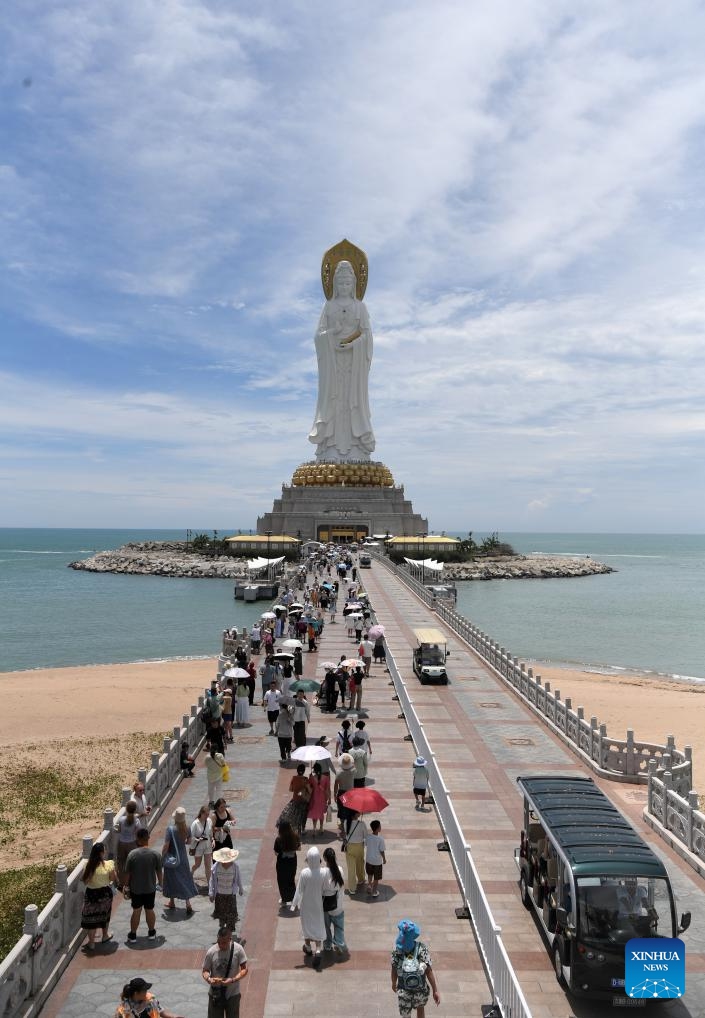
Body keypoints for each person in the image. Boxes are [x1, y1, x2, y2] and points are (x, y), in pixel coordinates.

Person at [308, 257, 375, 461]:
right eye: (341, 283)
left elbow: (367, 335)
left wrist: (355, 343)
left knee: (353, 401)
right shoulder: (329, 306)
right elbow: (317, 336)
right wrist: (331, 334)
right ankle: (329, 446)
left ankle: (357, 445)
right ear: (334, 284)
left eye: (348, 283)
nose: (344, 286)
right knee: (333, 400)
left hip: (354, 367)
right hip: (333, 365)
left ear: (354, 284)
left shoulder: (360, 307)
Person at [391, 919, 440, 1017]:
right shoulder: (422, 948)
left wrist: (393, 983)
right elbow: (429, 971)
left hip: (403, 990)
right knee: (420, 1008)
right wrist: (435, 990)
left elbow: (394, 970)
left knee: (405, 1014)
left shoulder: (397, 952)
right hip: (420, 989)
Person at [123, 827, 162, 942]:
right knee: (149, 910)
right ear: (148, 838)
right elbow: (159, 872)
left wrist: (126, 886)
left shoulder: (132, 855)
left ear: (137, 839)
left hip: (136, 889)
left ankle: (133, 935)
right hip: (150, 888)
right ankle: (151, 932)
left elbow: (127, 873)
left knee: (136, 911)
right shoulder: (155, 854)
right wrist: (161, 884)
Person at [290, 847, 326, 968]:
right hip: (318, 904)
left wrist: (294, 904)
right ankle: (318, 950)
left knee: (306, 926)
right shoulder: (323, 872)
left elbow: (299, 890)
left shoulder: (305, 873)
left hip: (306, 905)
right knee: (318, 926)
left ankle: (308, 948)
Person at [202, 928, 248, 1018]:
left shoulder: (238, 949)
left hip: (233, 993)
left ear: (230, 940)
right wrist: (208, 978)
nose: (220, 945)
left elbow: (244, 969)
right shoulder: (211, 952)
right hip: (215, 994)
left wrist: (233, 979)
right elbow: (205, 970)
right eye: (219, 942)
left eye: (224, 943)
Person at [162, 807, 198, 914]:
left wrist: (162, 856)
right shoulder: (187, 828)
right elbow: (189, 841)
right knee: (185, 878)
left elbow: (166, 846)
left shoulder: (170, 829)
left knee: (171, 879)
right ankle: (188, 903)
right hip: (183, 858)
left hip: (172, 858)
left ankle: (172, 902)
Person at [80, 842, 116, 949]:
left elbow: (85, 881)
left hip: (91, 894)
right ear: (101, 853)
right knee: (105, 915)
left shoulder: (87, 864)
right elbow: (112, 879)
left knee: (92, 919)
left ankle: (91, 943)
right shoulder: (109, 864)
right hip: (104, 893)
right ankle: (105, 935)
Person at [209, 847, 244, 932]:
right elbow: (212, 880)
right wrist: (211, 893)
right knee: (222, 914)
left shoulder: (235, 867)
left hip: (230, 895)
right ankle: (223, 930)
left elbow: (238, 878)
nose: (225, 863)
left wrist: (241, 888)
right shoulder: (216, 867)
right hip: (219, 895)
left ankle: (229, 932)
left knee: (231, 915)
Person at [114, 977, 184, 1018]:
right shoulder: (124, 1010)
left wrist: (174, 1016)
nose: (147, 992)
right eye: (144, 990)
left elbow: (160, 1011)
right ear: (136, 993)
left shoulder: (150, 999)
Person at [321, 846, 346, 954]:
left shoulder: (322, 872)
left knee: (326, 927)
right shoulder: (340, 870)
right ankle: (339, 943)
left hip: (326, 906)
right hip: (338, 905)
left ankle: (327, 945)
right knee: (339, 927)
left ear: (325, 859)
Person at [277, 763, 311, 836]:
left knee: (295, 816)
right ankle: (303, 829)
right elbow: (310, 791)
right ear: (304, 771)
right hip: (303, 801)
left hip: (295, 799)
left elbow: (290, 789)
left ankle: (296, 830)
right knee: (303, 816)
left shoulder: (294, 778)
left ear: (297, 771)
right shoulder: (305, 779)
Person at [274, 819, 300, 906]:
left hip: (282, 863)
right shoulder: (295, 836)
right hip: (292, 862)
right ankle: (294, 900)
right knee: (291, 880)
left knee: (282, 881)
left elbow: (276, 853)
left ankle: (284, 900)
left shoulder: (279, 839)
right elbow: (299, 848)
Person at [114, 801, 139, 889]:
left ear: (126, 809)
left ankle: (122, 883)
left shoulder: (121, 819)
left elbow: (119, 830)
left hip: (121, 843)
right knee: (132, 863)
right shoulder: (136, 821)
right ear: (135, 810)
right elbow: (137, 833)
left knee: (121, 863)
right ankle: (132, 881)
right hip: (132, 844)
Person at [342, 810, 367, 894]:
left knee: (351, 868)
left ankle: (352, 888)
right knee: (360, 863)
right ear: (355, 814)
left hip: (350, 847)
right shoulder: (362, 824)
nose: (360, 813)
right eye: (358, 812)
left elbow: (344, 834)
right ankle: (361, 879)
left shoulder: (346, 822)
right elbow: (365, 836)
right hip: (359, 846)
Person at [191, 805, 214, 883]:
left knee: (208, 865)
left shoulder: (209, 821)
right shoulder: (195, 823)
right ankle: (191, 873)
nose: (207, 816)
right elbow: (191, 836)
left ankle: (209, 884)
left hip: (208, 846)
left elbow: (210, 833)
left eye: (208, 814)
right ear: (201, 813)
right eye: (206, 814)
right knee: (197, 864)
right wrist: (197, 839)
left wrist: (213, 840)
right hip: (198, 847)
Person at [306, 762, 331, 835]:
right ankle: (321, 828)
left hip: (314, 799)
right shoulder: (326, 778)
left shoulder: (312, 778)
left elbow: (309, 789)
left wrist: (309, 778)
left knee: (314, 814)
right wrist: (329, 799)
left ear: (314, 770)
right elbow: (328, 789)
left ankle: (314, 829)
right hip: (323, 799)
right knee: (321, 814)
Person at [334, 752, 355, 832]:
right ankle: (349, 825)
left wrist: (334, 794)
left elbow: (336, 784)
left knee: (342, 809)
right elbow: (354, 766)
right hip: (350, 794)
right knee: (349, 809)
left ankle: (342, 825)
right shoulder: (353, 771)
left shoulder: (339, 773)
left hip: (342, 793)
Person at [366, 819, 386, 897]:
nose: (381, 827)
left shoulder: (368, 836)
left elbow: (366, 844)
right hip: (377, 861)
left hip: (369, 860)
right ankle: (374, 892)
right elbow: (382, 851)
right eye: (380, 826)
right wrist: (384, 859)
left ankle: (369, 885)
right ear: (377, 829)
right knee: (376, 878)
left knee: (370, 874)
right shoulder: (380, 839)